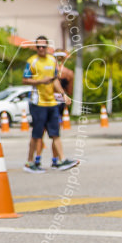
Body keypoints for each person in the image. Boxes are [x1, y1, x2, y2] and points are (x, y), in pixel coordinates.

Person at [22, 36, 79, 173]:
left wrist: (64, 95)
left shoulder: (52, 61)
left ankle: (61, 160)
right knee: (37, 135)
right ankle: (30, 162)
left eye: (43, 46)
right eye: (38, 47)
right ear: (36, 48)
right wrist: (40, 81)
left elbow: (54, 81)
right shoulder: (32, 62)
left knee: (55, 134)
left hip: (51, 102)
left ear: (47, 47)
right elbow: (25, 80)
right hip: (38, 102)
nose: (41, 49)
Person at [52, 50, 74, 168]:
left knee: (42, 134)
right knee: (55, 132)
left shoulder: (49, 70)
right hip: (59, 101)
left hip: (49, 101)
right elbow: (69, 91)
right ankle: (55, 159)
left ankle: (37, 160)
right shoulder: (69, 73)